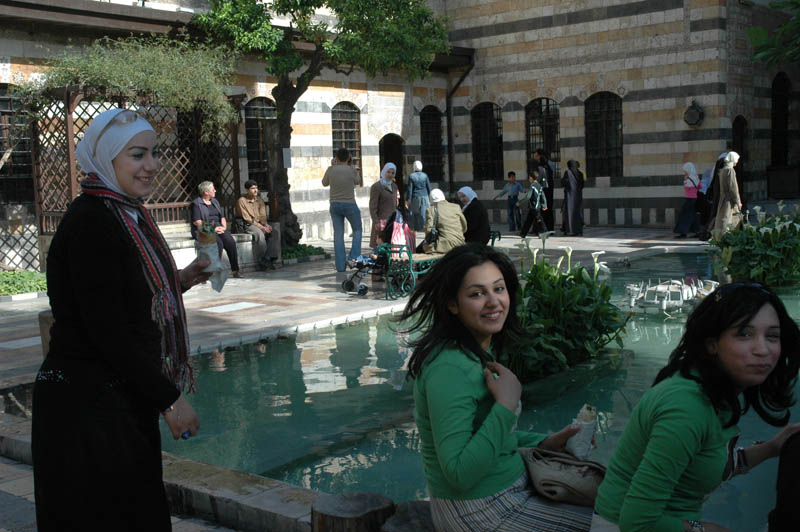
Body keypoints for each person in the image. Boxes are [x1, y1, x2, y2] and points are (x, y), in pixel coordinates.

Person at [32, 108, 209, 530]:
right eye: (137, 155)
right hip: (87, 412)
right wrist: (169, 398)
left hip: (112, 400)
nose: (151, 166)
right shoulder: (93, 222)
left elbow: (119, 299)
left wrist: (177, 281)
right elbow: (105, 331)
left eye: (153, 153)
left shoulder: (123, 213)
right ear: (107, 159)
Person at [399, 244, 593, 532]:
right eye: (477, 294)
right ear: (452, 304)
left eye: (498, 289)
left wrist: (543, 441)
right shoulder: (448, 367)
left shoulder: (474, 351)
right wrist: (505, 404)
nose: (493, 302)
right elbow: (458, 472)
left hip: (508, 491)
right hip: (480, 511)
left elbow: (484, 436)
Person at [592, 282, 800, 532]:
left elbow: (703, 464)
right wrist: (706, 530)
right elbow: (637, 522)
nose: (762, 349)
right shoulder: (687, 409)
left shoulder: (710, 389)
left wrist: (772, 448)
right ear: (712, 343)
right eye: (744, 334)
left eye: (772, 336)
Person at [322, 147, 363, 272]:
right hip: (350, 204)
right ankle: (353, 258)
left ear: (337, 158)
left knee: (338, 234)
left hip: (334, 205)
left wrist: (332, 167)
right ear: (349, 158)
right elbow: (358, 181)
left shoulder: (331, 170)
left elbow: (324, 183)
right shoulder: (351, 170)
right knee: (357, 230)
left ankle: (340, 266)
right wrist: (351, 166)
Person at [191, 180, 241, 278]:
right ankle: (212, 271)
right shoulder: (196, 204)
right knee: (218, 243)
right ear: (206, 192)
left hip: (218, 228)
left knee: (230, 242)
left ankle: (235, 270)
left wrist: (224, 227)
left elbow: (222, 217)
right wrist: (213, 229)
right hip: (204, 229)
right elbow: (197, 222)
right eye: (213, 189)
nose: (215, 191)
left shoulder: (215, 201)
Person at [235, 180, 280, 270]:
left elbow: (263, 216)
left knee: (274, 231)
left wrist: (266, 225)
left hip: (258, 223)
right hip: (246, 224)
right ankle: (262, 259)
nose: (256, 190)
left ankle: (269, 258)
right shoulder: (242, 201)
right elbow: (247, 219)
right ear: (247, 190)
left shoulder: (259, 200)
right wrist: (261, 227)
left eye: (256, 188)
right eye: (252, 188)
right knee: (260, 234)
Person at [420, 188, 467, 254]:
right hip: (460, 243)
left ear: (431, 200)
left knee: (421, 247)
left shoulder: (431, 210)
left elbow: (428, 231)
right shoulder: (456, 207)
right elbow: (464, 227)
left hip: (443, 246)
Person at [711, 152, 742, 240]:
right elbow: (733, 188)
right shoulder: (730, 170)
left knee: (722, 218)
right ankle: (726, 238)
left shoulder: (723, 169)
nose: (737, 162)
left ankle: (718, 237)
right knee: (728, 220)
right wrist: (738, 202)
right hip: (729, 200)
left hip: (723, 198)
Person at [369, 162, 399, 248]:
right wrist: (376, 221)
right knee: (380, 247)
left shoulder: (394, 186)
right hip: (381, 222)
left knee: (391, 247)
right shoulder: (376, 187)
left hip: (392, 222)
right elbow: (372, 206)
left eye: (393, 173)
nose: (390, 174)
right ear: (384, 171)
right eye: (388, 172)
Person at [673, 162, 701, 239]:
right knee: (693, 216)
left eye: (685, 170)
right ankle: (697, 231)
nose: (684, 171)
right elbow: (699, 187)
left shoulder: (688, 178)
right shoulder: (696, 177)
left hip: (689, 199)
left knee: (684, 216)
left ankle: (683, 232)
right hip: (695, 199)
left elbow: (686, 187)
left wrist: (685, 180)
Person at [519, 170, 548, 238]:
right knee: (529, 220)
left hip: (534, 206)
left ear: (531, 178)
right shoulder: (539, 186)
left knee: (539, 220)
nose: (529, 179)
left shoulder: (532, 186)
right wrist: (544, 205)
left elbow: (528, 196)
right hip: (535, 207)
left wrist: (520, 202)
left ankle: (545, 232)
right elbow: (543, 196)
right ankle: (523, 233)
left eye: (529, 177)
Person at [407, 160, 432, 232]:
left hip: (415, 197)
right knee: (424, 213)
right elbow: (429, 187)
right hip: (425, 196)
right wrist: (431, 198)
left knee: (416, 214)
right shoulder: (425, 175)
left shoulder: (411, 176)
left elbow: (410, 189)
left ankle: (417, 228)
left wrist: (408, 199)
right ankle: (424, 227)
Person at [535, 149, 556, 231]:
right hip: (550, 190)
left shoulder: (540, 168)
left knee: (542, 209)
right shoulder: (550, 166)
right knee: (548, 209)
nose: (536, 157)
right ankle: (550, 228)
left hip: (543, 190)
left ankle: (543, 229)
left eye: (536, 155)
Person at [562, 160, 584, 236]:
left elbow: (564, 183)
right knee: (577, 212)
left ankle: (570, 230)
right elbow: (582, 185)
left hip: (569, 196)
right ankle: (578, 230)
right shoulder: (580, 174)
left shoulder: (568, 172)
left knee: (569, 213)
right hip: (578, 195)